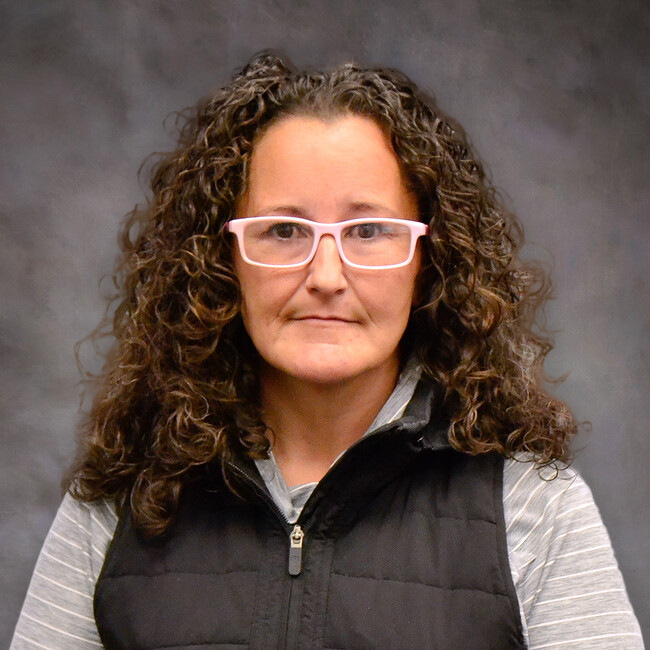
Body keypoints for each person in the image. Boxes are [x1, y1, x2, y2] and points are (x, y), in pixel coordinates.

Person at [11, 53, 643, 649]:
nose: (326, 277)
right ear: (219, 260)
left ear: (431, 261)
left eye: (369, 231)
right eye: (283, 230)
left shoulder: (535, 507)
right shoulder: (121, 500)